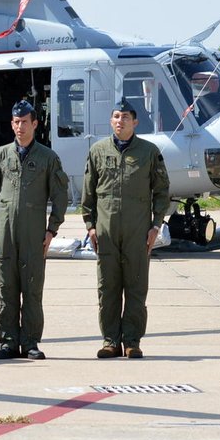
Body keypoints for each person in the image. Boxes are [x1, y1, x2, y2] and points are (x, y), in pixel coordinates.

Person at [80, 99, 170, 359]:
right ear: (111, 121)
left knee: (136, 287)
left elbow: (162, 191)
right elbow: (88, 193)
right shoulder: (98, 151)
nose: (121, 121)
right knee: (107, 288)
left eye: (126, 117)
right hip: (106, 233)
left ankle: (131, 341)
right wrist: (90, 226)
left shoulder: (149, 152)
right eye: (117, 117)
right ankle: (110, 341)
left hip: (137, 233)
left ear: (135, 122)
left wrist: (156, 225)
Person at [0, 100, 68, 361]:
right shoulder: (0, 155)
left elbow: (60, 195)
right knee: (7, 288)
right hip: (6, 232)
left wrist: (51, 230)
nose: (20, 127)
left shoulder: (48, 158)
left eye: (24, 122)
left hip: (34, 234)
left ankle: (30, 342)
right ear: (12, 124)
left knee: (32, 289)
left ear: (35, 124)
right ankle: (8, 342)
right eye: (16, 122)